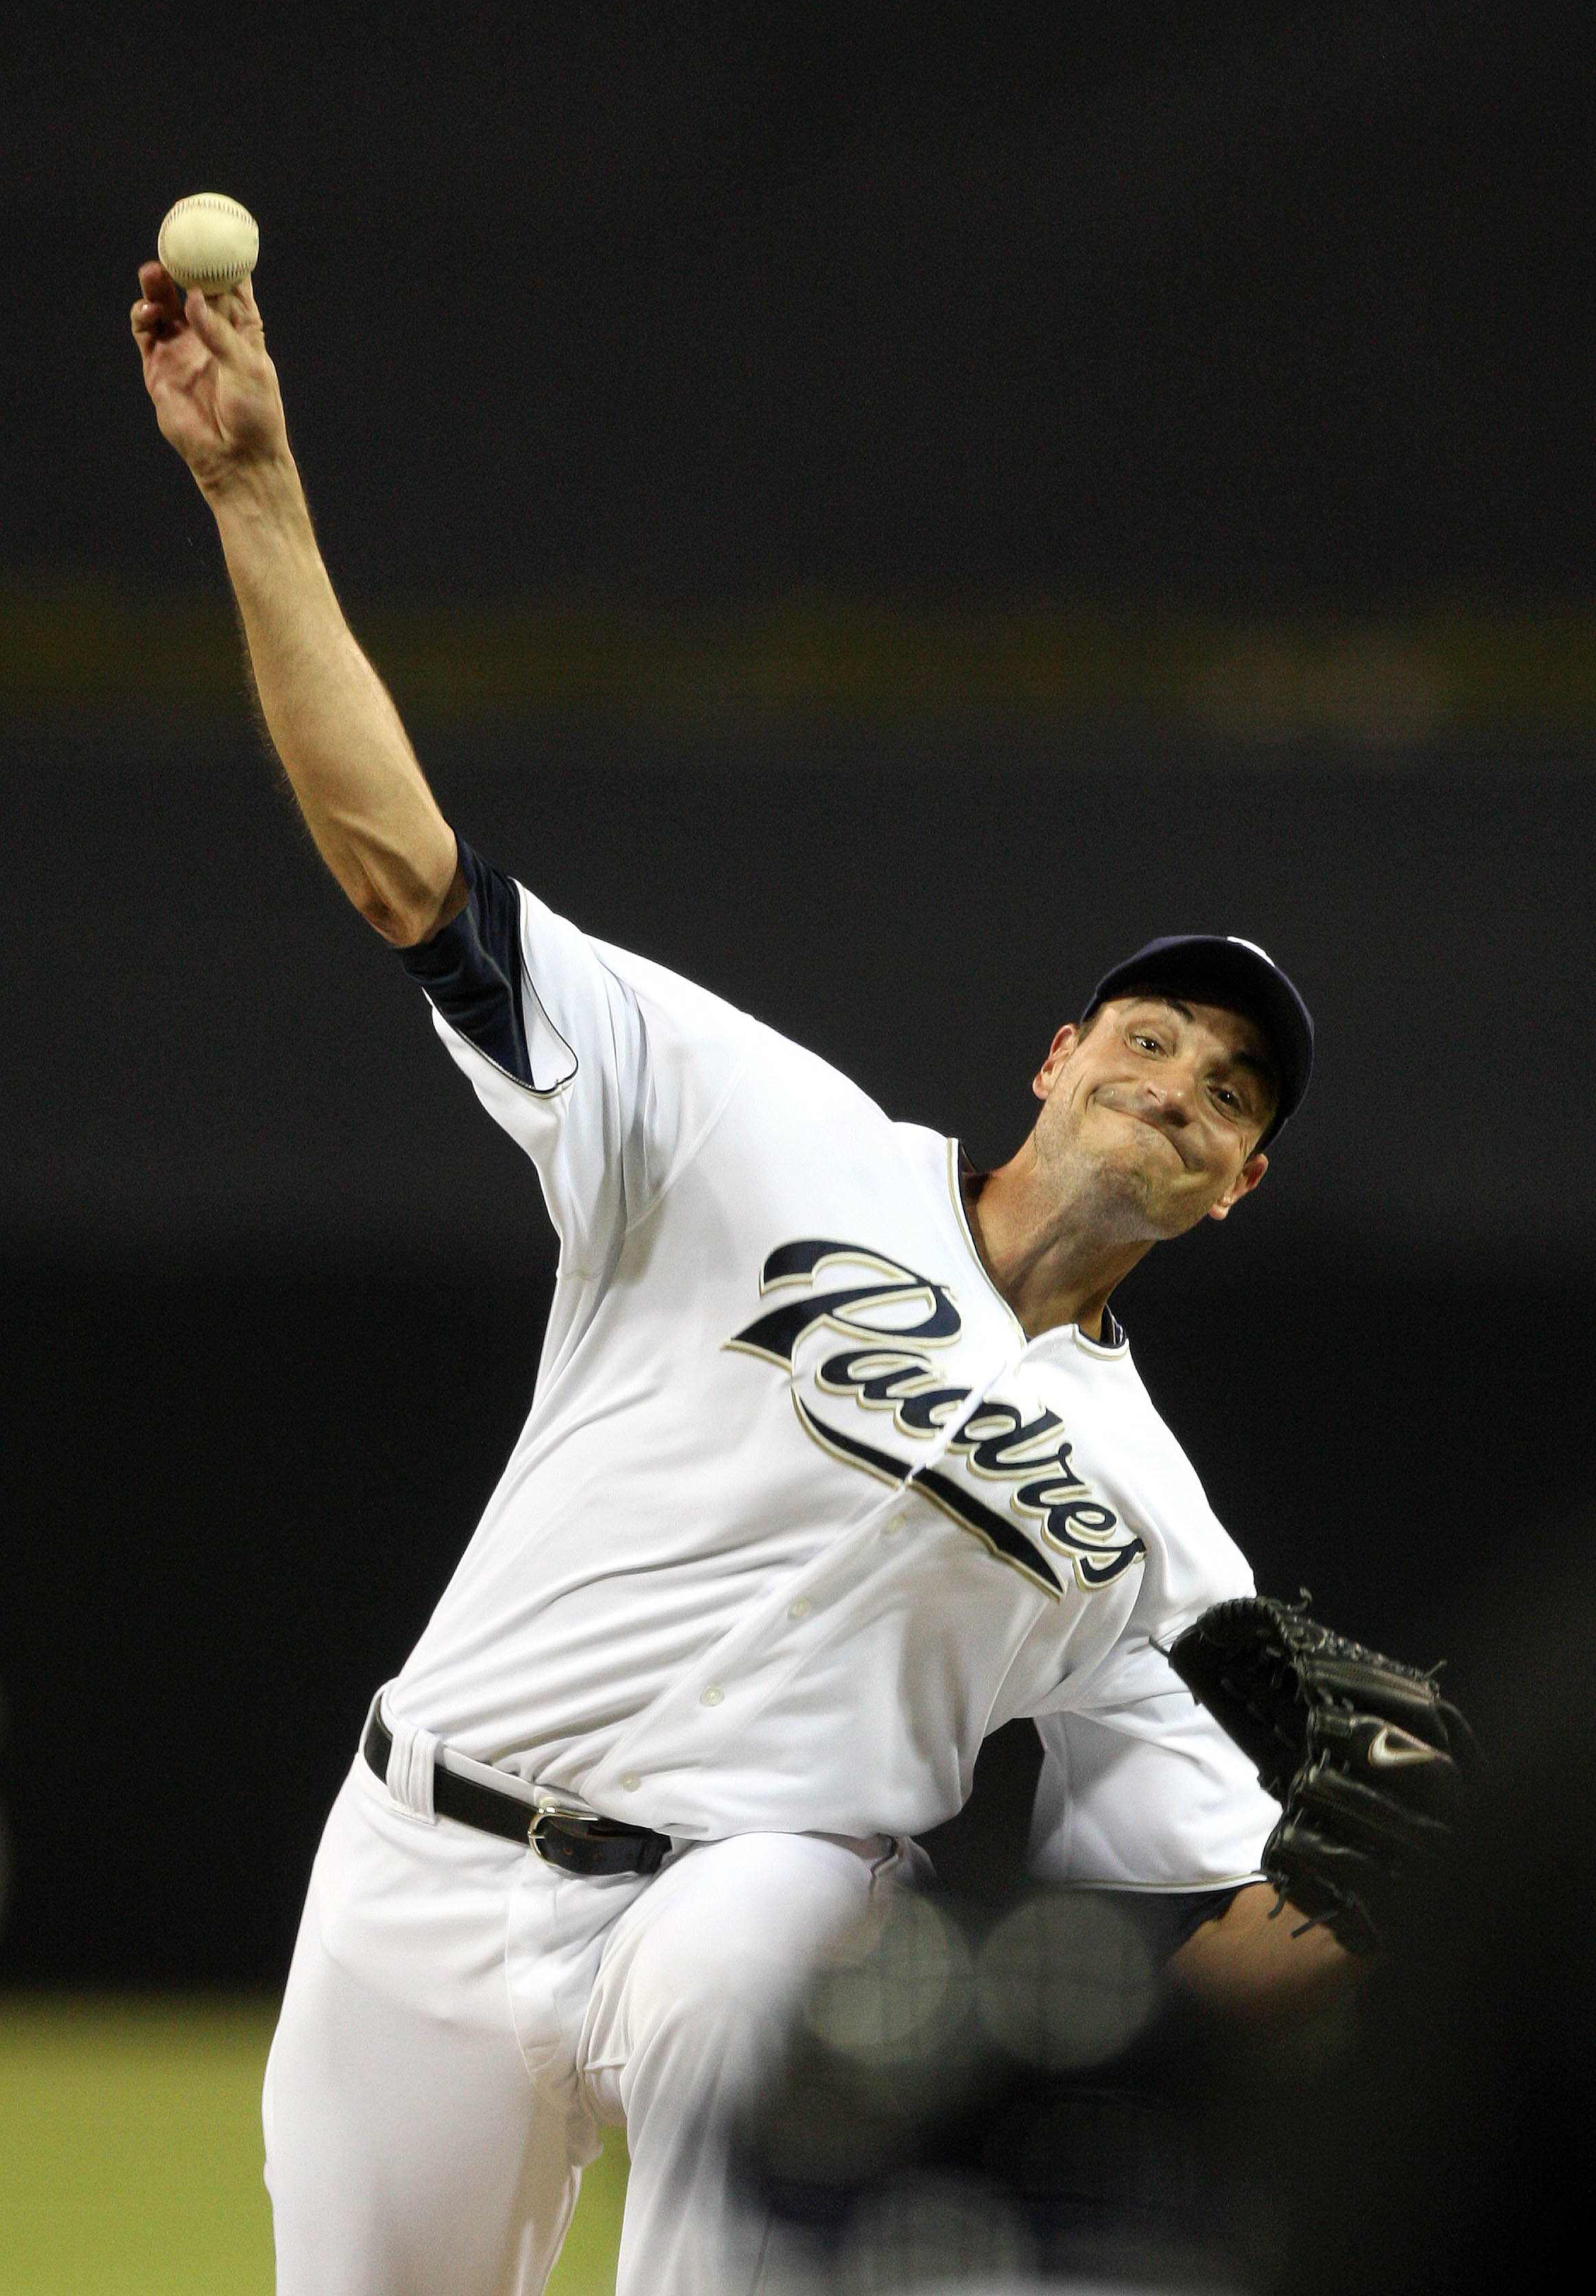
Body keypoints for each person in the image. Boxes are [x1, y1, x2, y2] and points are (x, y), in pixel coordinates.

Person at [131, 263, 1348, 2296]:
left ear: (1236, 1185)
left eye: (1230, 1093)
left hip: (760, 1909)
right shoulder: (750, 1127)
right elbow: (405, 872)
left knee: (759, 1924)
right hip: (425, 1854)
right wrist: (254, 490)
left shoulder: (1152, 1524)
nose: (1176, 1083)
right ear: (1057, 1057)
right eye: (1147, 1036)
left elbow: (1217, 1912)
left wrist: (1389, 1905)